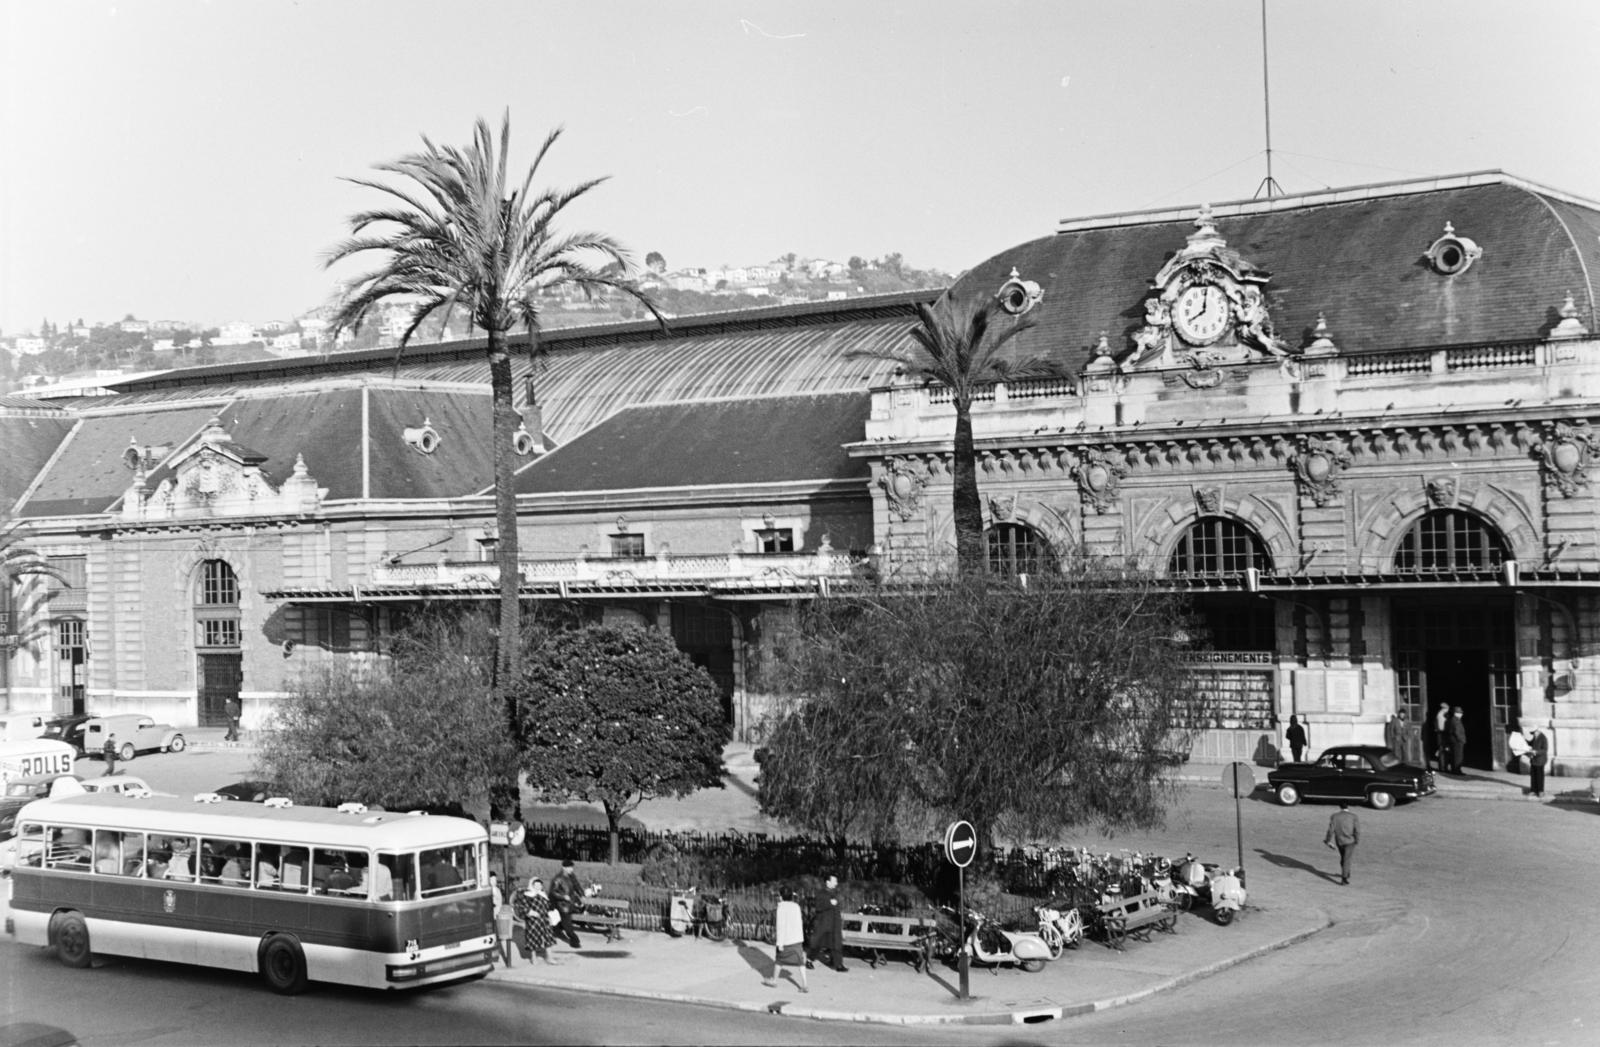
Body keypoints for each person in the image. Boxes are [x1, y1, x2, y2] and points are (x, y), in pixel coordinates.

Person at [764, 886, 808, 992]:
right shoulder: (796, 906)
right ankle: (805, 984)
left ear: (781, 896)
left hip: (786, 940)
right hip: (797, 939)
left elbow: (780, 926)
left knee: (779, 960)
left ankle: (774, 980)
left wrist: (779, 943)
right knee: (800, 962)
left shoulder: (781, 908)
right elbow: (799, 923)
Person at [512, 877, 562, 965]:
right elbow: (522, 907)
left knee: (548, 939)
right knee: (533, 940)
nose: (538, 886)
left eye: (539, 885)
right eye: (536, 885)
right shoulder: (527, 895)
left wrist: (551, 915)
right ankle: (533, 957)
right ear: (532, 885)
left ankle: (549, 957)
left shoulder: (543, 895)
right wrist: (531, 912)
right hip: (533, 921)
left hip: (544, 920)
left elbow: (549, 907)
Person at [806, 873, 847, 972]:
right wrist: (829, 903)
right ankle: (809, 960)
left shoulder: (836, 893)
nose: (836, 883)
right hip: (823, 922)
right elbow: (818, 907)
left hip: (834, 922)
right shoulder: (821, 893)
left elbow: (838, 908)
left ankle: (839, 964)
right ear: (828, 882)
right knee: (818, 942)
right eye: (834, 881)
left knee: (837, 943)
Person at [548, 859, 584, 949]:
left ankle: (555, 931)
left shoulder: (571, 876)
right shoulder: (558, 878)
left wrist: (582, 894)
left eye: (571, 867)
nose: (571, 869)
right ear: (563, 868)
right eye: (569, 868)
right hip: (562, 905)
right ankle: (575, 940)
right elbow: (553, 892)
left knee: (563, 922)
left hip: (570, 903)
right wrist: (563, 896)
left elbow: (576, 885)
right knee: (567, 924)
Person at [1324, 802, 1360, 886]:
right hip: (1350, 841)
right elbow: (1357, 830)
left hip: (1339, 841)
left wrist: (1327, 840)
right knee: (1347, 859)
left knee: (1343, 857)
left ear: (1340, 807)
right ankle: (1344, 878)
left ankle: (1346, 872)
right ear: (1348, 806)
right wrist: (1357, 840)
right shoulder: (1353, 816)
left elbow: (1330, 830)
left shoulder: (1335, 816)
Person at [1528, 723, 1550, 799]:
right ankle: (1533, 790)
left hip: (1540, 760)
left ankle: (1540, 791)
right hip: (1534, 759)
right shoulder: (1535, 737)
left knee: (1539, 776)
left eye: (1533, 732)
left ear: (1537, 731)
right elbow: (1530, 743)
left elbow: (1545, 750)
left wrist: (1536, 752)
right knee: (1533, 775)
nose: (1533, 734)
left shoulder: (1543, 738)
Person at [1447, 706, 1467, 774]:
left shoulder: (1453, 719)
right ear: (1456, 713)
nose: (1461, 714)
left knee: (1454, 756)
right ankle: (1457, 770)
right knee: (1458, 757)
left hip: (1454, 741)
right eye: (1460, 713)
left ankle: (1454, 769)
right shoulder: (1456, 721)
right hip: (1457, 741)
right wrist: (1462, 740)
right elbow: (1457, 732)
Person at [1433, 703, 1452, 771]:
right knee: (1442, 752)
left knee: (1443, 751)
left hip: (1442, 735)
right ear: (1444, 709)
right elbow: (1441, 728)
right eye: (1447, 709)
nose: (1448, 710)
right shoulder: (1440, 716)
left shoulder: (1441, 715)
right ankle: (1443, 768)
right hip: (1442, 736)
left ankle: (1443, 767)